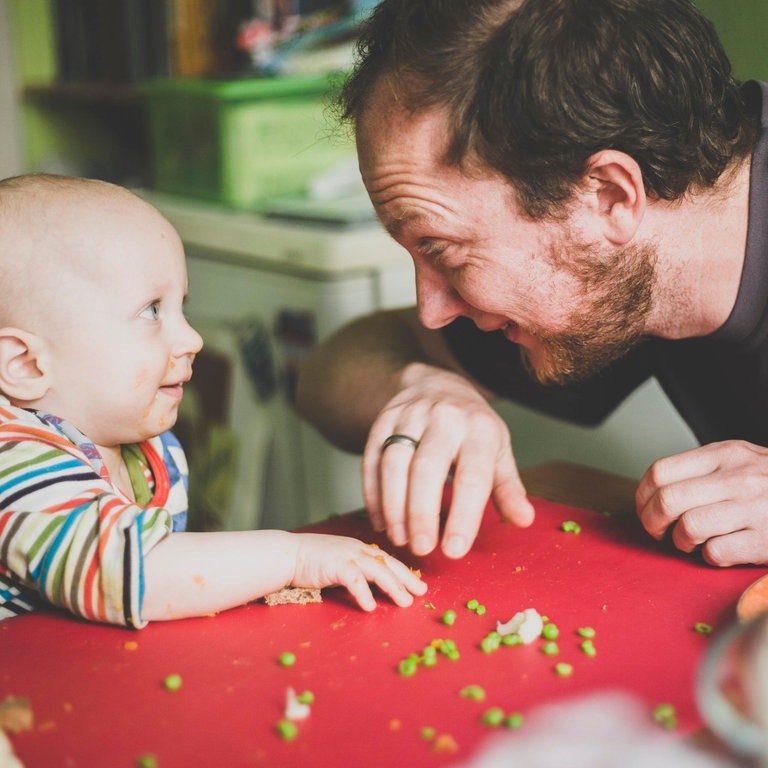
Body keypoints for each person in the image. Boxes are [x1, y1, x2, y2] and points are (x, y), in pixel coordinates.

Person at [295, 0, 768, 568]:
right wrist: (419, 386)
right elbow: (330, 372)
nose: (433, 311)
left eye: (441, 249)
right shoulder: (613, 269)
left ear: (609, 196)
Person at [0, 173, 426, 628]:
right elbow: (132, 572)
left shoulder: (133, 442)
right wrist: (294, 556)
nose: (192, 339)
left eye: (182, 306)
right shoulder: (16, 464)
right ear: (26, 365)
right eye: (151, 311)